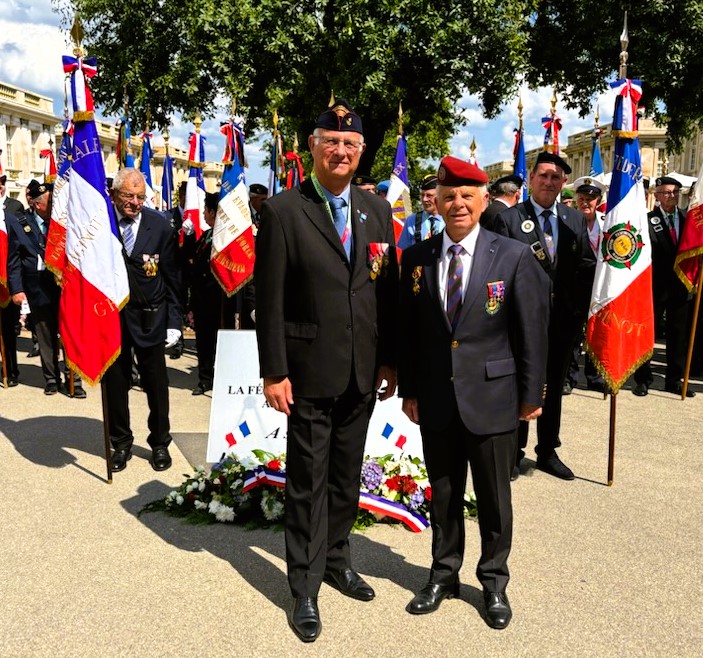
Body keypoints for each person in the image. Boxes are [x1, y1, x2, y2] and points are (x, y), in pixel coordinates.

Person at [255, 98, 398, 643]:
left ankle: (336, 559)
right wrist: (274, 371)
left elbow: (383, 289)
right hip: (308, 370)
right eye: (331, 142)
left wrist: (389, 356)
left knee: (345, 475)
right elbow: (268, 301)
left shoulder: (375, 210)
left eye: (350, 145)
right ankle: (304, 586)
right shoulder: (285, 210)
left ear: (361, 153)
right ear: (312, 146)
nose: (341, 151)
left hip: (362, 369)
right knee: (307, 482)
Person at [398, 155, 548, 630]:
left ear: (485, 200)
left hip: (493, 397)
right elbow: (413, 333)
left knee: (493, 496)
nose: (457, 203)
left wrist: (531, 392)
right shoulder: (417, 257)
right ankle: (443, 573)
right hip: (438, 398)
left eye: (466, 195)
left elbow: (531, 331)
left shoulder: (513, 255)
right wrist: (411, 389)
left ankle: (494, 582)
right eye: (448, 196)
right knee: (442, 493)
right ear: (436, 203)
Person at [493, 151, 595, 481]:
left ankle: (547, 450)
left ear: (564, 182)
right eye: (543, 175)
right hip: (519, 323)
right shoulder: (509, 219)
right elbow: (496, 271)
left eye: (555, 177)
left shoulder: (573, 219)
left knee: (553, 383)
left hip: (562, 322)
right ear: (531, 179)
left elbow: (586, 267)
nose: (549, 182)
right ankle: (514, 451)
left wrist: (579, 310)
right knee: (520, 383)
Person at [103, 168, 182, 473]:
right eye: (128, 196)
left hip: (152, 317)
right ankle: (120, 443)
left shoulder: (159, 227)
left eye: (140, 196)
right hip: (113, 318)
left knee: (156, 386)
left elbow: (174, 278)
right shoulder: (102, 224)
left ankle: (160, 442)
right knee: (116, 385)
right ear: (114, 193)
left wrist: (175, 320)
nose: (135, 202)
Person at [6, 180, 86, 397]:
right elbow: (13, 260)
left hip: (64, 285)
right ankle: (51, 379)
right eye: (52, 202)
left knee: (70, 334)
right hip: (37, 287)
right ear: (39, 204)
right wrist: (16, 290)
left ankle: (74, 380)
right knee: (45, 335)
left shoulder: (64, 222)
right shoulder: (19, 223)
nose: (56, 205)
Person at [633, 176, 695, 397]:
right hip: (653, 288)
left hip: (681, 287)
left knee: (679, 336)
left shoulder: (690, 220)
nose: (672, 196)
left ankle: (674, 379)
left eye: (676, 192)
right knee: (648, 335)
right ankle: (642, 379)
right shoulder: (647, 220)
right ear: (657, 196)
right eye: (667, 192)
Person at [564, 176, 607, 394]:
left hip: (599, 288)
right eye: (581, 198)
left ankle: (594, 376)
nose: (585, 203)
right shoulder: (566, 221)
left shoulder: (607, 223)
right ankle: (568, 378)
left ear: (598, 201)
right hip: (573, 287)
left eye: (591, 199)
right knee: (572, 335)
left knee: (596, 332)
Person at [190, 192, 223, 395]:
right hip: (202, 301)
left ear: (214, 212)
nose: (203, 213)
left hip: (219, 301)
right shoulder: (205, 236)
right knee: (204, 343)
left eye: (205, 210)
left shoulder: (225, 239)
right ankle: (205, 379)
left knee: (220, 344)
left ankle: (219, 379)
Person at [397, 174, 445, 249]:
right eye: (422, 195)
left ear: (439, 196)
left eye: (429, 196)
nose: (424, 199)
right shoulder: (412, 220)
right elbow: (402, 250)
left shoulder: (449, 219)